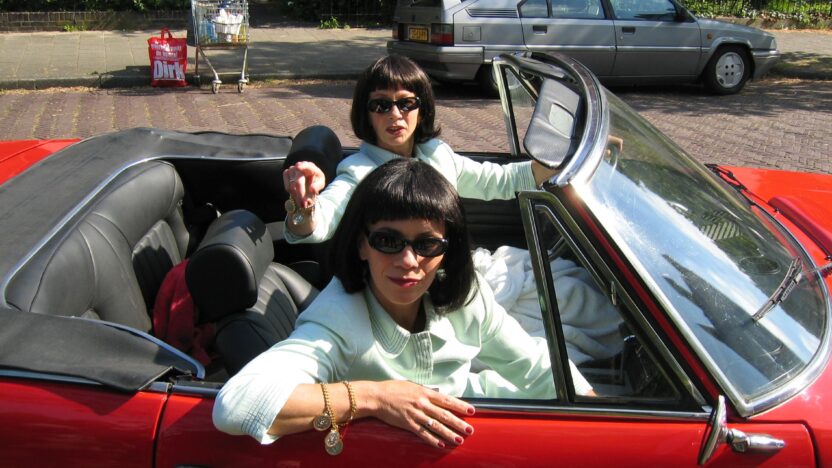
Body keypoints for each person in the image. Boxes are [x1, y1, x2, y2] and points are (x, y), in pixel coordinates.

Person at [214, 159, 589, 451]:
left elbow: (536, 368)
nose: (409, 261)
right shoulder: (338, 319)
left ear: (447, 250)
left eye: (427, 244)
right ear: (361, 244)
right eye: (388, 241)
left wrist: (593, 405)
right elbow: (237, 404)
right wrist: (375, 396)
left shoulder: (466, 297)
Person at [281, 54, 558, 243]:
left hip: (454, 271)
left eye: (406, 103)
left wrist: (561, 160)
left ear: (422, 109)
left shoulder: (437, 153)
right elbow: (320, 223)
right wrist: (304, 205)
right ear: (366, 114)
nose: (395, 115)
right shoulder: (358, 172)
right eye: (381, 105)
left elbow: (498, 180)